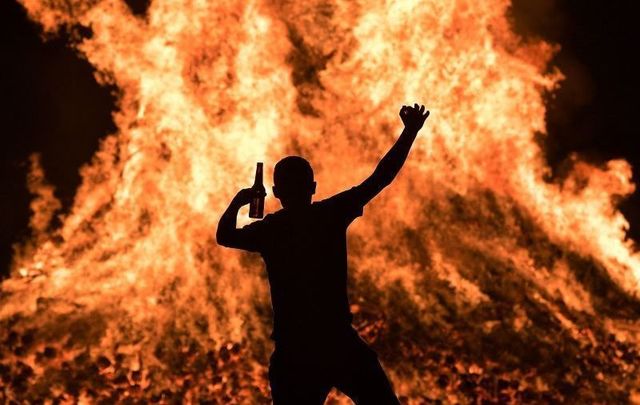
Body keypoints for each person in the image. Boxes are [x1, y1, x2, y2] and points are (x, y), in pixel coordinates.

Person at [217, 103, 430, 404]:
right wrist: (409, 132)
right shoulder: (329, 215)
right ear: (313, 188)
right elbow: (380, 178)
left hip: (295, 352)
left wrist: (239, 202)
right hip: (337, 343)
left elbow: (225, 236)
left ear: (276, 194)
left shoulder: (271, 229)